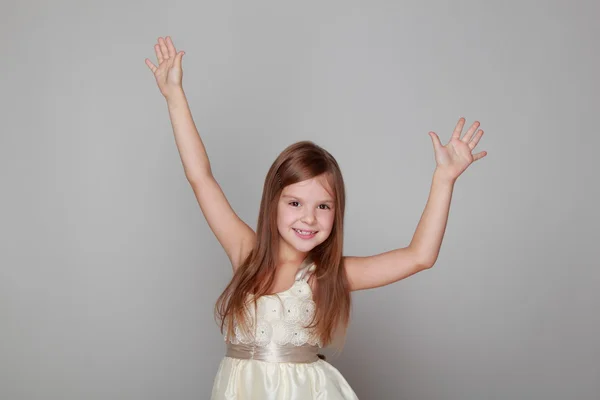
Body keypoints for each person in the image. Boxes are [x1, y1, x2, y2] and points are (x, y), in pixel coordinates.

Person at [145, 36, 488, 399]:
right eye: (295, 203)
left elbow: (420, 256)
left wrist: (444, 180)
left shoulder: (329, 276)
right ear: (272, 203)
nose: (308, 218)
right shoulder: (244, 250)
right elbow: (201, 177)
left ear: (336, 212)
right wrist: (174, 96)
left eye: (323, 206)